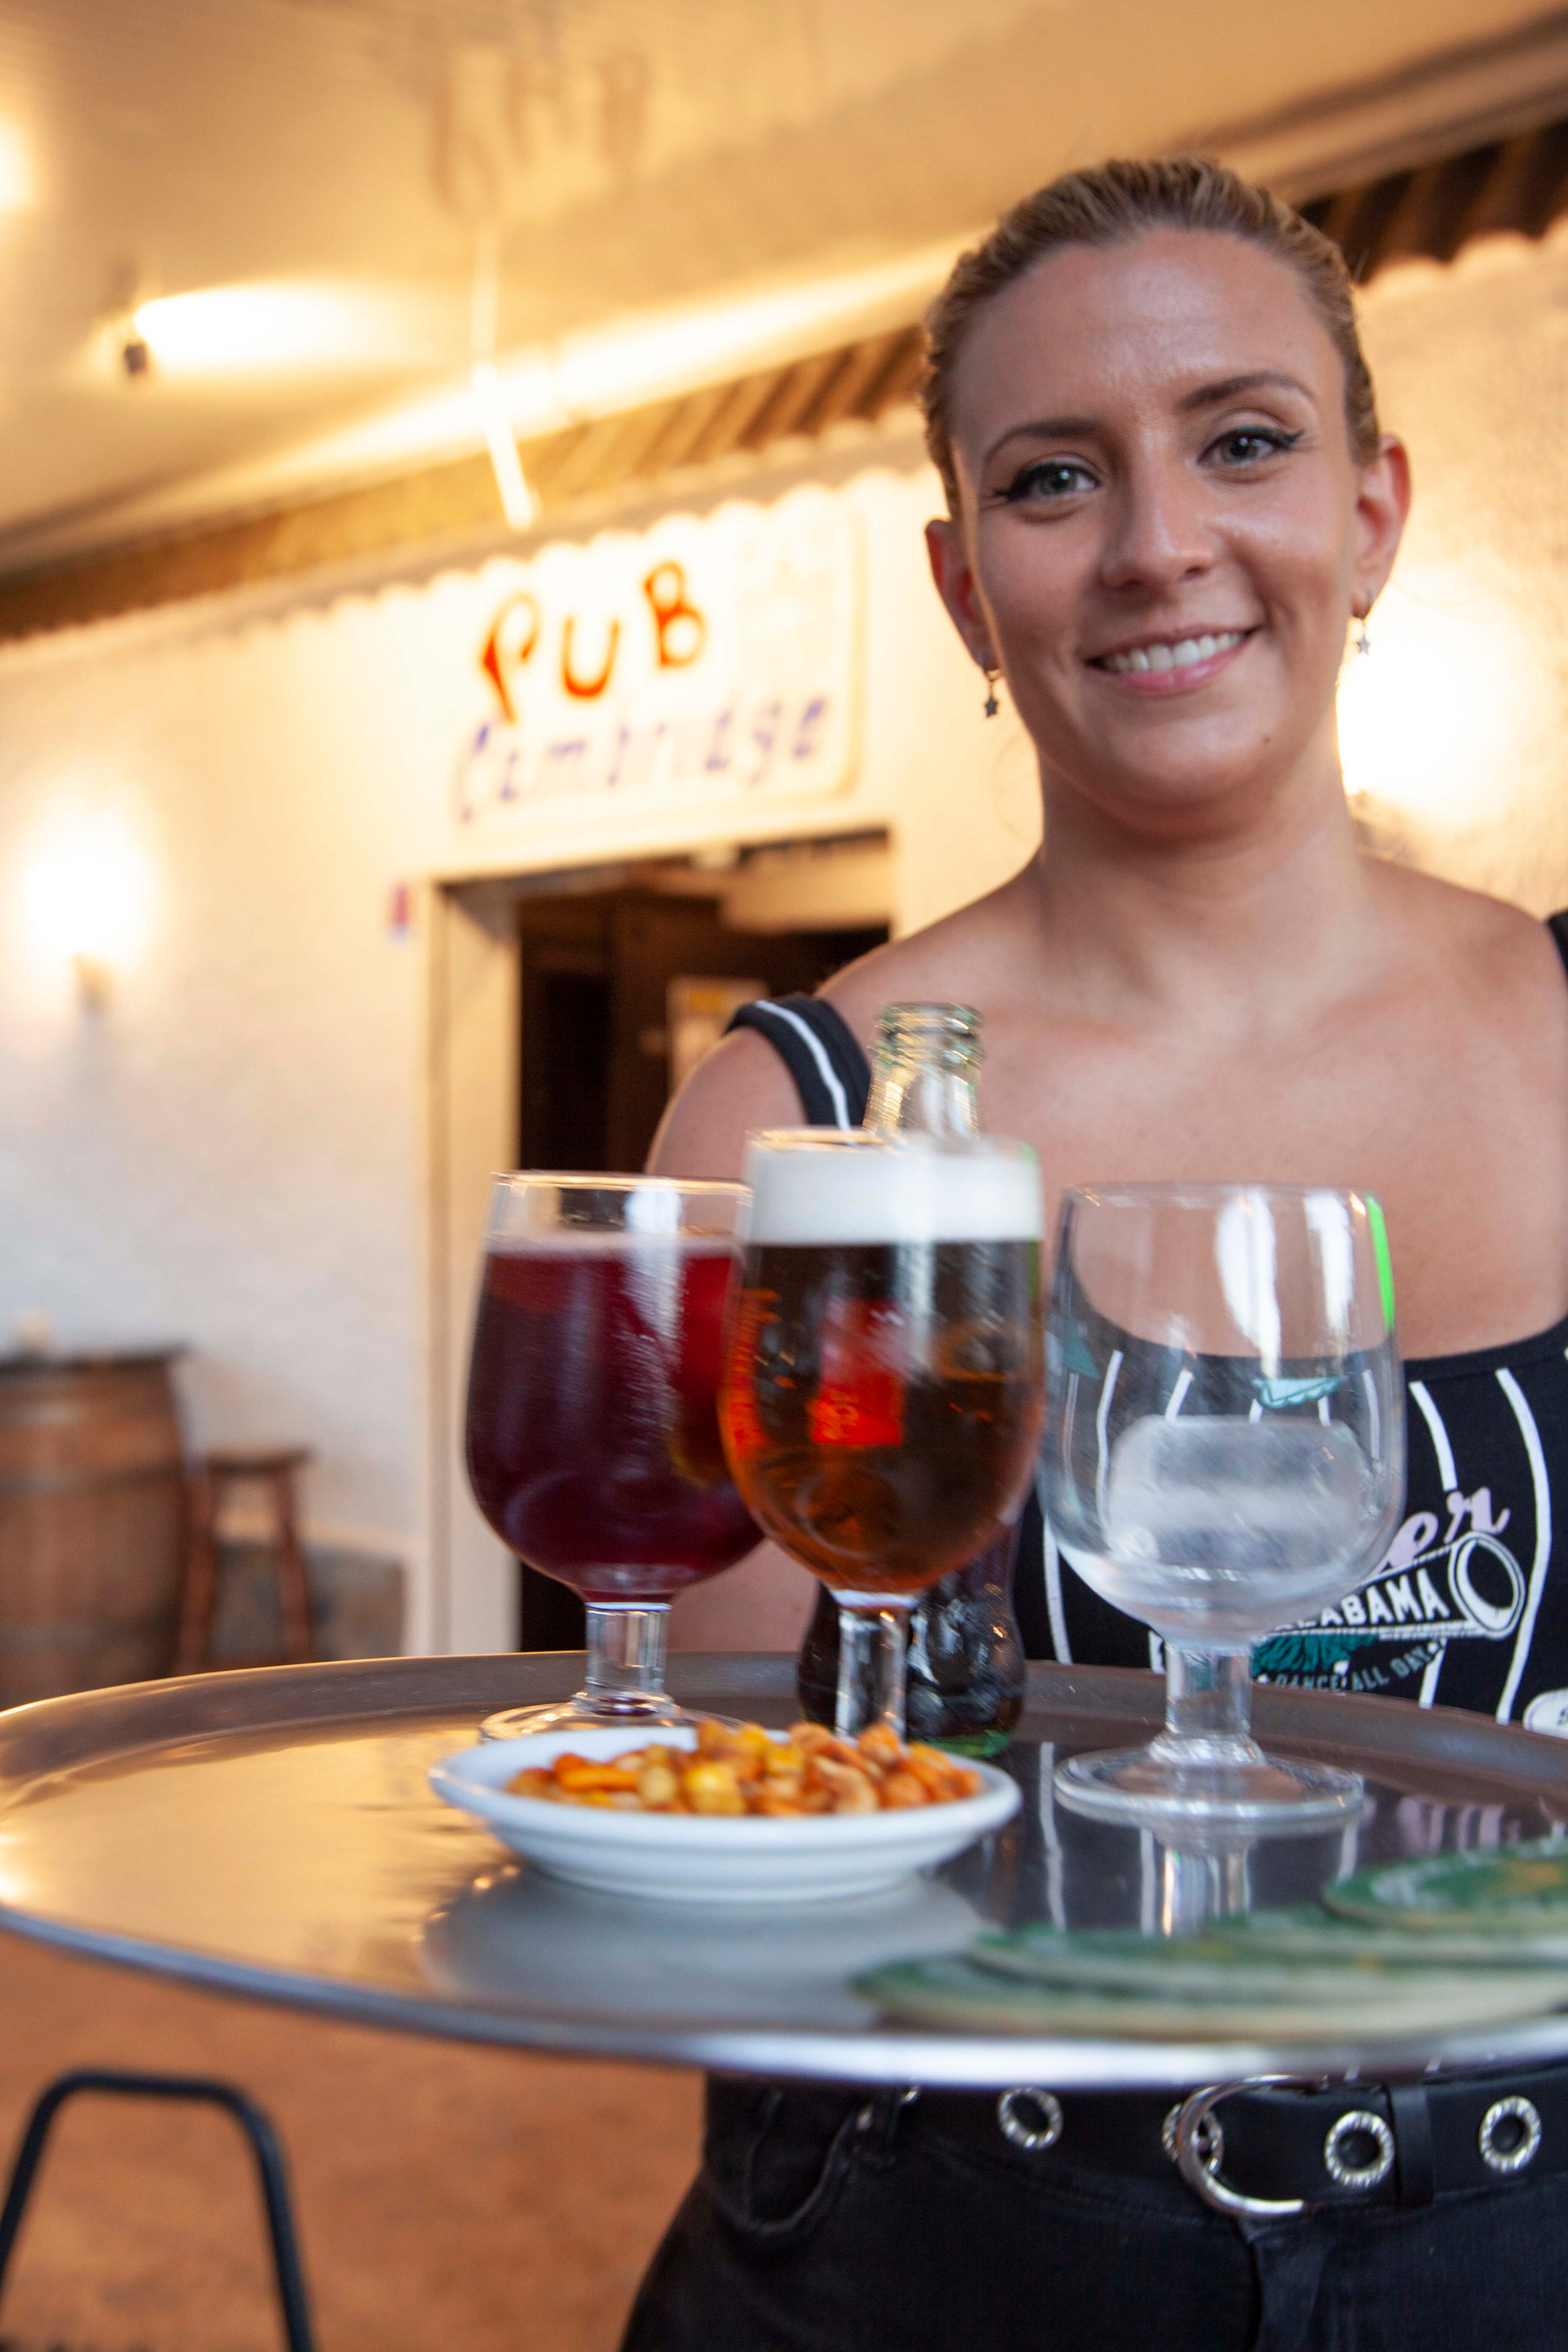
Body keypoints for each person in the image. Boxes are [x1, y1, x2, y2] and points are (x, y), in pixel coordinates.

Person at [625, 158, 1568, 2352]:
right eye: (1056, 478)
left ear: (1372, 514)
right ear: (966, 588)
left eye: (1244, 440)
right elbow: (741, 1839)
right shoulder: (801, 1125)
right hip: (952, 2235)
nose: (1157, 542)